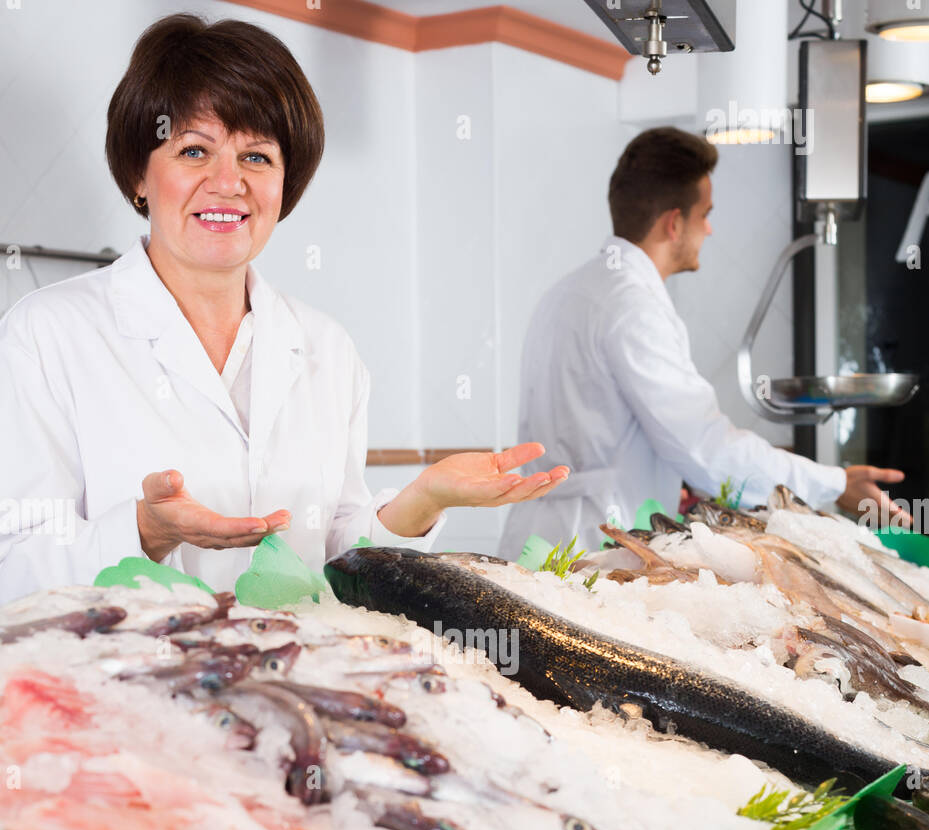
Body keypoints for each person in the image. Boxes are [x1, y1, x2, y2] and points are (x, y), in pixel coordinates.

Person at [0, 14, 568, 605]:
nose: (228, 183)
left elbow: (338, 550)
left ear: (284, 184)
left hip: (295, 679)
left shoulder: (327, 347)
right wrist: (143, 532)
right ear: (139, 175)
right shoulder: (45, 335)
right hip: (123, 685)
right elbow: (11, 565)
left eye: (257, 157)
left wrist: (422, 500)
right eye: (195, 150)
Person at [499, 126, 906, 560]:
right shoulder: (633, 306)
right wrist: (835, 484)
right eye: (705, 214)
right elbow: (707, 450)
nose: (710, 230)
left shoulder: (566, 292)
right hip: (590, 548)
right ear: (674, 223)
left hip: (535, 542)